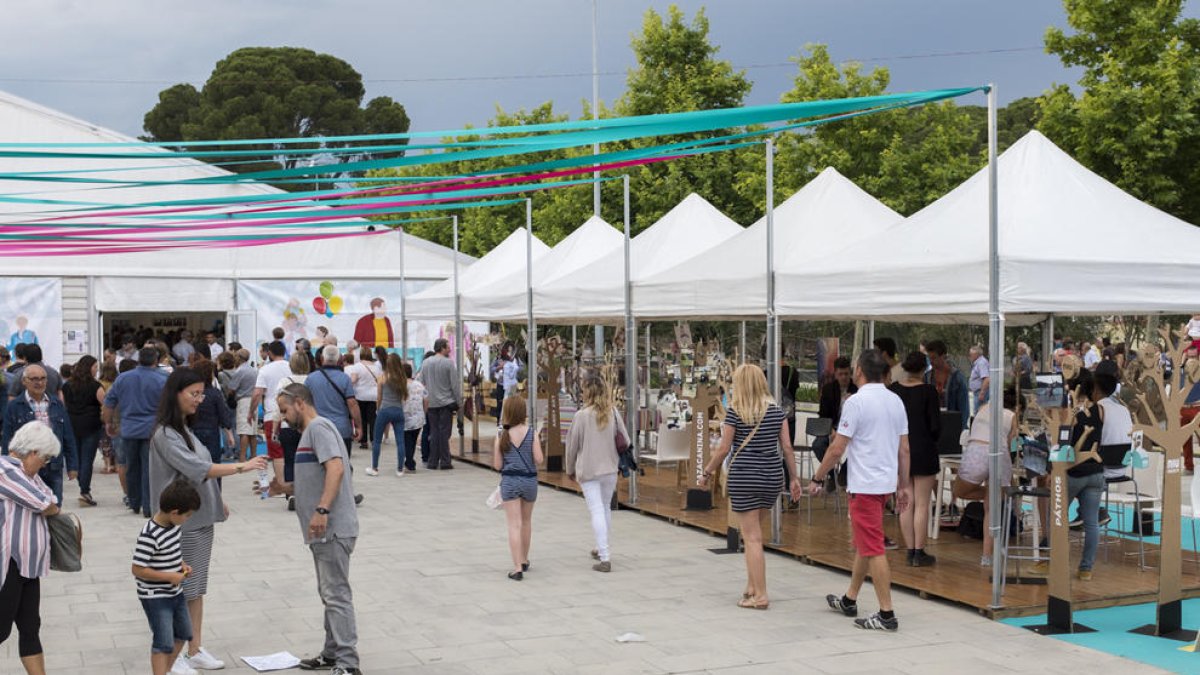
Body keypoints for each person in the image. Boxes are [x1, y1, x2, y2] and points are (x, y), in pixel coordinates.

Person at [150, 368, 267, 673]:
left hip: (199, 518)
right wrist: (243, 466)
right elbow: (198, 467)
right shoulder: (165, 434)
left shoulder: (184, 429)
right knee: (180, 590)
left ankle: (194, 648)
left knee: (196, 589)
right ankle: (173, 657)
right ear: (176, 394)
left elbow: (199, 471)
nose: (200, 400)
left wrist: (218, 500)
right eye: (194, 394)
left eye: (202, 393)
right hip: (180, 522)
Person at [810, 349, 910, 631]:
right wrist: (903, 485)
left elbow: (837, 447)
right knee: (866, 543)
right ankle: (850, 598)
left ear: (859, 371)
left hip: (864, 484)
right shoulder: (896, 401)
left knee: (873, 547)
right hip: (884, 484)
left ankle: (887, 614)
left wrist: (818, 478)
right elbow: (904, 449)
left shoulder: (855, 402)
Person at [272, 383, 362, 675]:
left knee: (335, 593)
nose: (283, 417)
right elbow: (321, 476)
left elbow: (336, 469)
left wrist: (322, 509)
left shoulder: (318, 429)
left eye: (285, 410)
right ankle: (332, 652)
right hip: (322, 529)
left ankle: (348, 663)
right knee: (329, 592)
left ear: (299, 403)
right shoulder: (311, 432)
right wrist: (283, 488)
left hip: (332, 527)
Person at [699, 365, 801, 608]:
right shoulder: (777, 412)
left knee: (753, 537)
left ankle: (761, 595)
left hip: (745, 477)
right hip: (772, 478)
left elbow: (724, 448)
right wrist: (794, 478)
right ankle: (751, 586)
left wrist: (707, 471)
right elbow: (787, 448)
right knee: (751, 533)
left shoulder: (736, 411)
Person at [0, 423, 60, 675]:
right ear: (33, 452)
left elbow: (52, 498)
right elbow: (43, 502)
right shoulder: (5, 470)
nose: (45, 464)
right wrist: (47, 504)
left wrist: (48, 504)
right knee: (1, 629)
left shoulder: (28, 474)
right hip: (8, 564)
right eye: (45, 458)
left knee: (30, 627)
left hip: (28, 566)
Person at [132, 478, 201, 675]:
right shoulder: (149, 535)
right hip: (155, 596)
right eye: (187, 515)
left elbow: (172, 552)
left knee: (184, 633)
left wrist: (181, 565)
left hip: (175, 592)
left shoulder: (174, 526)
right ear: (174, 512)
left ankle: (167, 670)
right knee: (163, 641)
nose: (187, 519)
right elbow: (137, 569)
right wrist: (169, 576)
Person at [566, 374, 629, 573]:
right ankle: (601, 548)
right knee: (604, 509)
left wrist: (569, 469)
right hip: (610, 468)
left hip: (589, 469)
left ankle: (605, 556)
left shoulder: (581, 416)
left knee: (596, 510)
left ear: (587, 392)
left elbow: (572, 446)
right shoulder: (613, 412)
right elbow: (625, 440)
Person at [953, 387, 1018, 567]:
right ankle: (986, 556)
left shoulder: (983, 408)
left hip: (976, 452)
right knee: (992, 508)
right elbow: (1012, 444)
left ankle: (990, 495)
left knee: (959, 491)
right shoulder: (1012, 416)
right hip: (999, 454)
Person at [889, 352, 941, 567]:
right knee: (922, 503)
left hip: (899, 450)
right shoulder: (929, 392)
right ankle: (920, 551)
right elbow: (936, 426)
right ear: (924, 369)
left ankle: (910, 550)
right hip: (924, 449)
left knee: (905, 501)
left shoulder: (894, 390)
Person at [104, 348, 169, 517]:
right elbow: (171, 404)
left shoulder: (123, 378)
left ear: (139, 360)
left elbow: (109, 402)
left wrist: (108, 423)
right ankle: (148, 506)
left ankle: (134, 501)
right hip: (153, 430)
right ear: (156, 360)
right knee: (150, 469)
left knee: (131, 466)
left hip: (129, 429)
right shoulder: (163, 378)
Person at [2, 364, 78, 506]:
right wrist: (7, 466)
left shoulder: (56, 404)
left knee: (54, 506)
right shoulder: (15, 406)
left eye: (43, 378)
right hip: (27, 467)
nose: (39, 382)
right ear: (24, 381)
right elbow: (7, 437)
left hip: (53, 465)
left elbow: (68, 435)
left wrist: (73, 465)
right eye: (34, 379)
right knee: (33, 505)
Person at [493, 393, 543, 580]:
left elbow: (498, 465)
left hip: (510, 482)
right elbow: (539, 459)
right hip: (530, 481)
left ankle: (516, 568)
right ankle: (524, 559)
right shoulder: (532, 434)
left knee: (514, 525)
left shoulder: (502, 436)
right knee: (527, 522)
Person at [62, 355, 105, 507]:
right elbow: (105, 404)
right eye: (95, 367)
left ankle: (83, 485)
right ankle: (84, 490)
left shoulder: (67, 385)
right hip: (91, 425)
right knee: (87, 459)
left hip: (72, 424)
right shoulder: (96, 386)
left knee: (78, 458)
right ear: (89, 368)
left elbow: (63, 405)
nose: (96, 370)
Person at [251, 342, 292, 490]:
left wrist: (251, 412)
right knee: (291, 449)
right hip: (291, 414)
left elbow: (257, 394)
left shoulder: (265, 370)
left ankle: (281, 484)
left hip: (271, 414)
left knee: (276, 452)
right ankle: (290, 481)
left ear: (270, 353)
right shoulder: (291, 367)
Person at [307, 346, 362, 456]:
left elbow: (305, 404)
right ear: (339, 360)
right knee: (343, 465)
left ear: (322, 358)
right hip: (341, 429)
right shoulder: (345, 378)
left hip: (319, 428)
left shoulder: (310, 379)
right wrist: (358, 426)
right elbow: (352, 404)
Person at [816, 356, 857, 486]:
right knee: (818, 445)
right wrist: (831, 430)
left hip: (852, 429)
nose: (844, 377)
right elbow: (823, 415)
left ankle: (843, 471)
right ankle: (831, 473)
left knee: (860, 448)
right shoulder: (828, 389)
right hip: (832, 427)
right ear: (835, 374)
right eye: (840, 374)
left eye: (846, 374)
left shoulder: (857, 389)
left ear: (850, 373)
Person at [421, 339, 460, 470]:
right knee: (444, 433)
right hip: (446, 403)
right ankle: (445, 461)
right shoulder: (449, 363)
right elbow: (454, 385)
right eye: (448, 347)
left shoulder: (425, 363)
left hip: (431, 403)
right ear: (442, 348)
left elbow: (421, 382)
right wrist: (458, 402)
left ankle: (432, 461)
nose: (450, 349)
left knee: (434, 431)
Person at [189, 360, 235, 469]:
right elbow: (223, 414)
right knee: (214, 465)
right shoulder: (214, 393)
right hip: (211, 431)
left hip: (193, 430)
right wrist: (229, 433)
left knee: (196, 465)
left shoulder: (191, 393)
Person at [369, 354, 407, 476]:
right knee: (400, 441)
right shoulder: (402, 378)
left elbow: (379, 397)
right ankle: (400, 469)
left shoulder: (382, 378)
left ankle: (374, 468)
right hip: (398, 410)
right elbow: (403, 397)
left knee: (377, 440)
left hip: (384, 410)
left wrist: (377, 409)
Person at [925, 340, 969, 430]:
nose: (931, 361)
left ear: (944, 356)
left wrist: (961, 429)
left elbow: (964, 408)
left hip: (952, 425)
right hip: (931, 425)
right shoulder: (927, 377)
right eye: (929, 358)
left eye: (934, 358)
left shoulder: (957, 378)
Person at [346, 348, 381, 452]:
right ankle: (374, 441)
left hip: (360, 396)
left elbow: (353, 380)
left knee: (362, 419)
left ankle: (364, 441)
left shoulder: (357, 366)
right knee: (373, 419)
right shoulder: (376, 367)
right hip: (373, 396)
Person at [401, 362, 428, 473]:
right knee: (412, 439)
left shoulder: (400, 385)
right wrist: (424, 412)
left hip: (405, 417)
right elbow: (426, 400)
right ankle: (409, 461)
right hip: (419, 417)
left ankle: (410, 463)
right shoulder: (419, 384)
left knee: (407, 440)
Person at [98, 360, 120, 475]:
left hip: (104, 413)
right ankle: (116, 464)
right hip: (117, 414)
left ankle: (107, 465)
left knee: (105, 440)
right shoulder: (118, 382)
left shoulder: (100, 383)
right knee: (116, 439)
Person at [968, 345, 990, 413]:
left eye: (971, 354)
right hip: (978, 392)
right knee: (978, 412)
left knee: (979, 413)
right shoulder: (978, 363)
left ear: (976, 355)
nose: (969, 356)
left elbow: (986, 379)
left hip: (980, 392)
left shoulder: (981, 363)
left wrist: (982, 393)